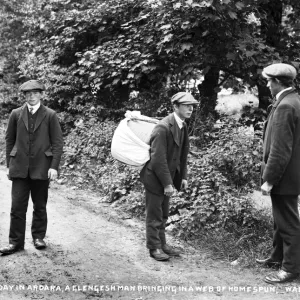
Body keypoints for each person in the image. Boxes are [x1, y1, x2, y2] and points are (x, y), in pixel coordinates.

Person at [0, 79, 63, 255]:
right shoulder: (16, 114)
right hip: (19, 168)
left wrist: (54, 166)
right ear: (25, 96)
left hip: (42, 168)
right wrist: (9, 164)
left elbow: (57, 143)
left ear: (41, 95)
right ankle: (15, 243)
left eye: (35, 93)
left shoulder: (50, 115)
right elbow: (9, 140)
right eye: (28, 94)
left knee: (40, 205)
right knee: (17, 207)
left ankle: (38, 237)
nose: (31, 96)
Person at [140, 92, 198, 261]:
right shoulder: (163, 127)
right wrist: (167, 184)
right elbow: (158, 160)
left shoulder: (182, 125)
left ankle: (162, 244)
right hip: (154, 178)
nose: (190, 109)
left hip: (167, 177)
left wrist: (183, 177)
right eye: (186, 105)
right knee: (155, 213)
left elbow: (183, 154)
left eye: (192, 106)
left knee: (164, 213)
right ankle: (154, 247)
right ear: (175, 107)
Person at [256, 63, 300, 283]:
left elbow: (281, 149)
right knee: (279, 219)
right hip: (289, 175)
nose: (267, 84)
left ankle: (291, 268)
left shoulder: (286, 106)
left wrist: (269, 179)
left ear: (278, 82)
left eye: (268, 80)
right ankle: (277, 257)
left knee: (288, 222)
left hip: (284, 177)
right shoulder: (291, 101)